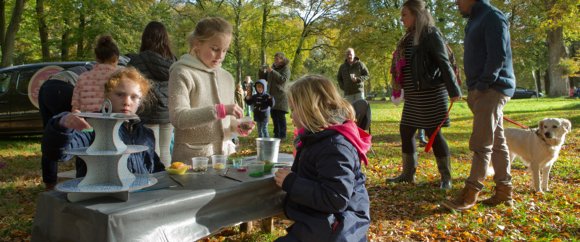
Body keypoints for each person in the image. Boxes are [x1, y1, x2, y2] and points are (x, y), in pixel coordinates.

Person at [273, 75, 371, 241]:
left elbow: (335, 198)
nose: (291, 116)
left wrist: (292, 182)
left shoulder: (334, 146)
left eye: (294, 109)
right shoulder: (318, 138)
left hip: (335, 231)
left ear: (309, 109)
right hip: (320, 224)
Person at [442, 0, 516, 211]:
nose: (456, 3)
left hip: (492, 89)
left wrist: (483, 84)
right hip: (482, 88)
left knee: (481, 143)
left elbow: (498, 55)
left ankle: (470, 192)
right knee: (497, 141)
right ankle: (504, 192)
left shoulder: (493, 16)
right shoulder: (475, 20)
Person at [41, 67, 165, 190]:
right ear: (107, 96)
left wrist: (166, 177)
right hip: (102, 200)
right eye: (120, 94)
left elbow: (153, 168)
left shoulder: (146, 134)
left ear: (141, 101)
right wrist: (62, 125)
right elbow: (58, 153)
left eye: (134, 97)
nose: (127, 101)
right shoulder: (93, 127)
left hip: (137, 200)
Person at [386, 0, 462, 190]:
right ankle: (407, 174)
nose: (402, 19)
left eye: (405, 15)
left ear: (416, 15)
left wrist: (454, 91)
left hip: (431, 93)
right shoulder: (409, 37)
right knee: (406, 130)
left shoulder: (430, 33)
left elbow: (444, 62)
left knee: (433, 134)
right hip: (414, 96)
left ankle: (446, 177)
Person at [168, 17, 251, 161]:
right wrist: (219, 111)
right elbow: (178, 118)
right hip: (191, 160)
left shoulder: (227, 78)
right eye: (215, 49)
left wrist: (237, 127)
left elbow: (228, 122)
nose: (220, 56)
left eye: (225, 50)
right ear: (197, 43)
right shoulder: (182, 72)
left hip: (224, 158)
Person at [127, 21, 177, 167]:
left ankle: (153, 182)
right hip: (167, 109)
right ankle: (166, 180)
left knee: (151, 149)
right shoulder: (174, 62)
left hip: (148, 110)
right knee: (165, 150)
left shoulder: (137, 60)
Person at [71, 35, 120, 112]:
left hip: (87, 120)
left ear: (96, 58)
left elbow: (75, 105)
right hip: (112, 120)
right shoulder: (120, 77)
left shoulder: (83, 77)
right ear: (116, 59)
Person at [259, 52, 290, 140]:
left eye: (277, 59)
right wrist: (261, 70)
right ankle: (276, 134)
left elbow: (283, 80)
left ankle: (282, 135)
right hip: (272, 96)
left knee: (280, 116)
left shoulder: (286, 69)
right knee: (274, 116)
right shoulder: (273, 68)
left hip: (281, 96)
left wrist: (273, 71)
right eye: (275, 59)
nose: (275, 60)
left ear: (282, 59)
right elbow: (264, 78)